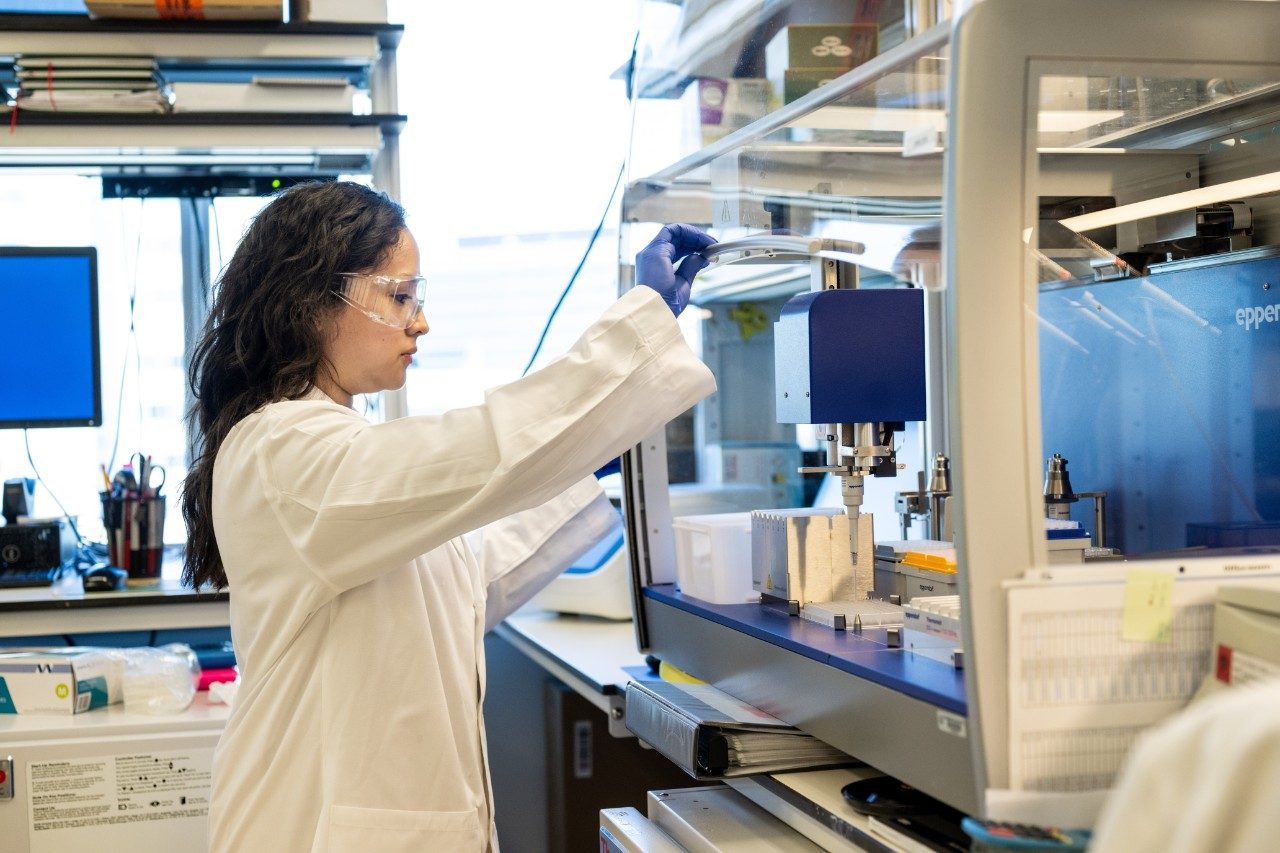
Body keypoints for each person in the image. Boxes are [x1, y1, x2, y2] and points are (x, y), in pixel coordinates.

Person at [180, 180, 717, 852]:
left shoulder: (328, 450)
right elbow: (479, 451)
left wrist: (581, 465)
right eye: (399, 296)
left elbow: (462, 583)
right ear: (314, 300)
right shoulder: (285, 451)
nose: (419, 321)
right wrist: (635, 329)